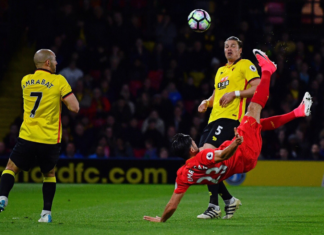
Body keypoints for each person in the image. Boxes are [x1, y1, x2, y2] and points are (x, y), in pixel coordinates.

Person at [143, 49, 313, 223]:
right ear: (192, 148)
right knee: (253, 109)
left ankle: (298, 112)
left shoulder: (183, 175)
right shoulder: (203, 155)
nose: (197, 142)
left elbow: (172, 205)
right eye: (194, 141)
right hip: (243, 150)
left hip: (242, 163)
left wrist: (162, 219)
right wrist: (236, 143)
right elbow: (221, 155)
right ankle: (268, 69)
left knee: (257, 123)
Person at [0, 49, 79, 222]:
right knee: (49, 174)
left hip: (28, 136)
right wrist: (61, 99)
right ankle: (46, 214)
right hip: (49, 139)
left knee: (11, 168)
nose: (57, 63)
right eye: (55, 60)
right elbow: (75, 108)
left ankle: (2, 197)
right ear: (48, 63)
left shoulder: (25, 80)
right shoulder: (59, 81)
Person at [196, 36, 261, 219]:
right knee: (203, 160)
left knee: (208, 156)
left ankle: (213, 207)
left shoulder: (245, 65)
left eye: (233, 46)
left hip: (230, 119)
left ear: (240, 50)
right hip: (213, 121)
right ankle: (228, 200)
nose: (229, 49)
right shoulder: (221, 70)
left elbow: (257, 87)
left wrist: (236, 93)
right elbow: (217, 94)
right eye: (226, 46)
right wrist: (206, 102)